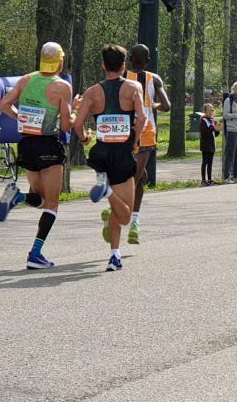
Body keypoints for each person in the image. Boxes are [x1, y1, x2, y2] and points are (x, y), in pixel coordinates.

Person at [0, 42, 79, 269]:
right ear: (60, 61)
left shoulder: (25, 80)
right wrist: (76, 110)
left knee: (40, 199)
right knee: (52, 204)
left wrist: (21, 117)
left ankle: (18, 197)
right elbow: (66, 125)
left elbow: (3, 105)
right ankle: (35, 253)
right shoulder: (62, 87)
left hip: (27, 145)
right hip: (49, 145)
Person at [73, 43, 148, 271]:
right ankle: (106, 191)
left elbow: (77, 123)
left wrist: (85, 138)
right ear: (124, 65)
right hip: (122, 152)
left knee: (116, 210)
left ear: (103, 65)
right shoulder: (133, 87)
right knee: (125, 216)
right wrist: (135, 142)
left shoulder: (92, 92)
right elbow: (142, 118)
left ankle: (114, 255)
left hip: (102, 153)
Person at [125, 44, 170, 245]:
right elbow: (167, 106)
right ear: (148, 60)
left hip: (126, 128)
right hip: (147, 131)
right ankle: (129, 217)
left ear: (130, 58)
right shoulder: (154, 78)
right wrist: (153, 105)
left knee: (139, 176)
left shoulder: (123, 76)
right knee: (138, 175)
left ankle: (125, 214)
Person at [199, 103, 219, 185]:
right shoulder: (203, 120)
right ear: (205, 111)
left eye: (212, 110)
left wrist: (217, 130)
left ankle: (210, 179)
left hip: (212, 144)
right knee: (205, 162)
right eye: (209, 110)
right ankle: (203, 180)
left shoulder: (213, 120)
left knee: (210, 162)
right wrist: (212, 128)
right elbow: (204, 132)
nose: (211, 112)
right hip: (205, 144)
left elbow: (215, 134)